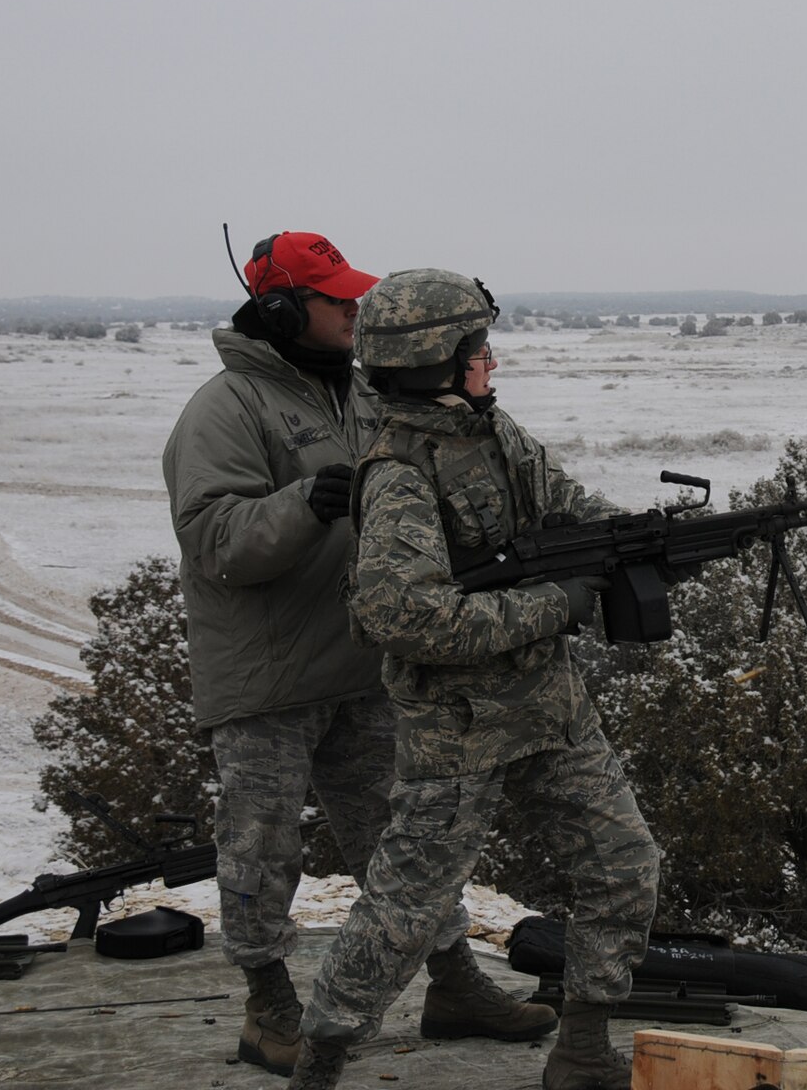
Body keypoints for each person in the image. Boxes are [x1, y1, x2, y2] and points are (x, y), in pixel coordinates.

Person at [165, 235, 553, 1076]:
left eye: (357, 300)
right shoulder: (225, 408)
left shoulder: (370, 398)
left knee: (410, 837)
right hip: (266, 679)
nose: (355, 313)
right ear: (279, 307)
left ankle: (452, 983)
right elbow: (211, 541)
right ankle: (269, 1007)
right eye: (336, 300)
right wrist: (306, 502)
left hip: (365, 665)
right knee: (262, 847)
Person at [290, 269, 659, 1090]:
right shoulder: (397, 475)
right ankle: (318, 1061)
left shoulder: (489, 431)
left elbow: (564, 500)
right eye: (477, 348)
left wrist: (634, 540)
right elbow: (406, 620)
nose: (491, 361)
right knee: (405, 913)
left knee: (622, 863)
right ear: (436, 362)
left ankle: (584, 1049)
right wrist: (552, 606)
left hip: (550, 709)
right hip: (458, 730)